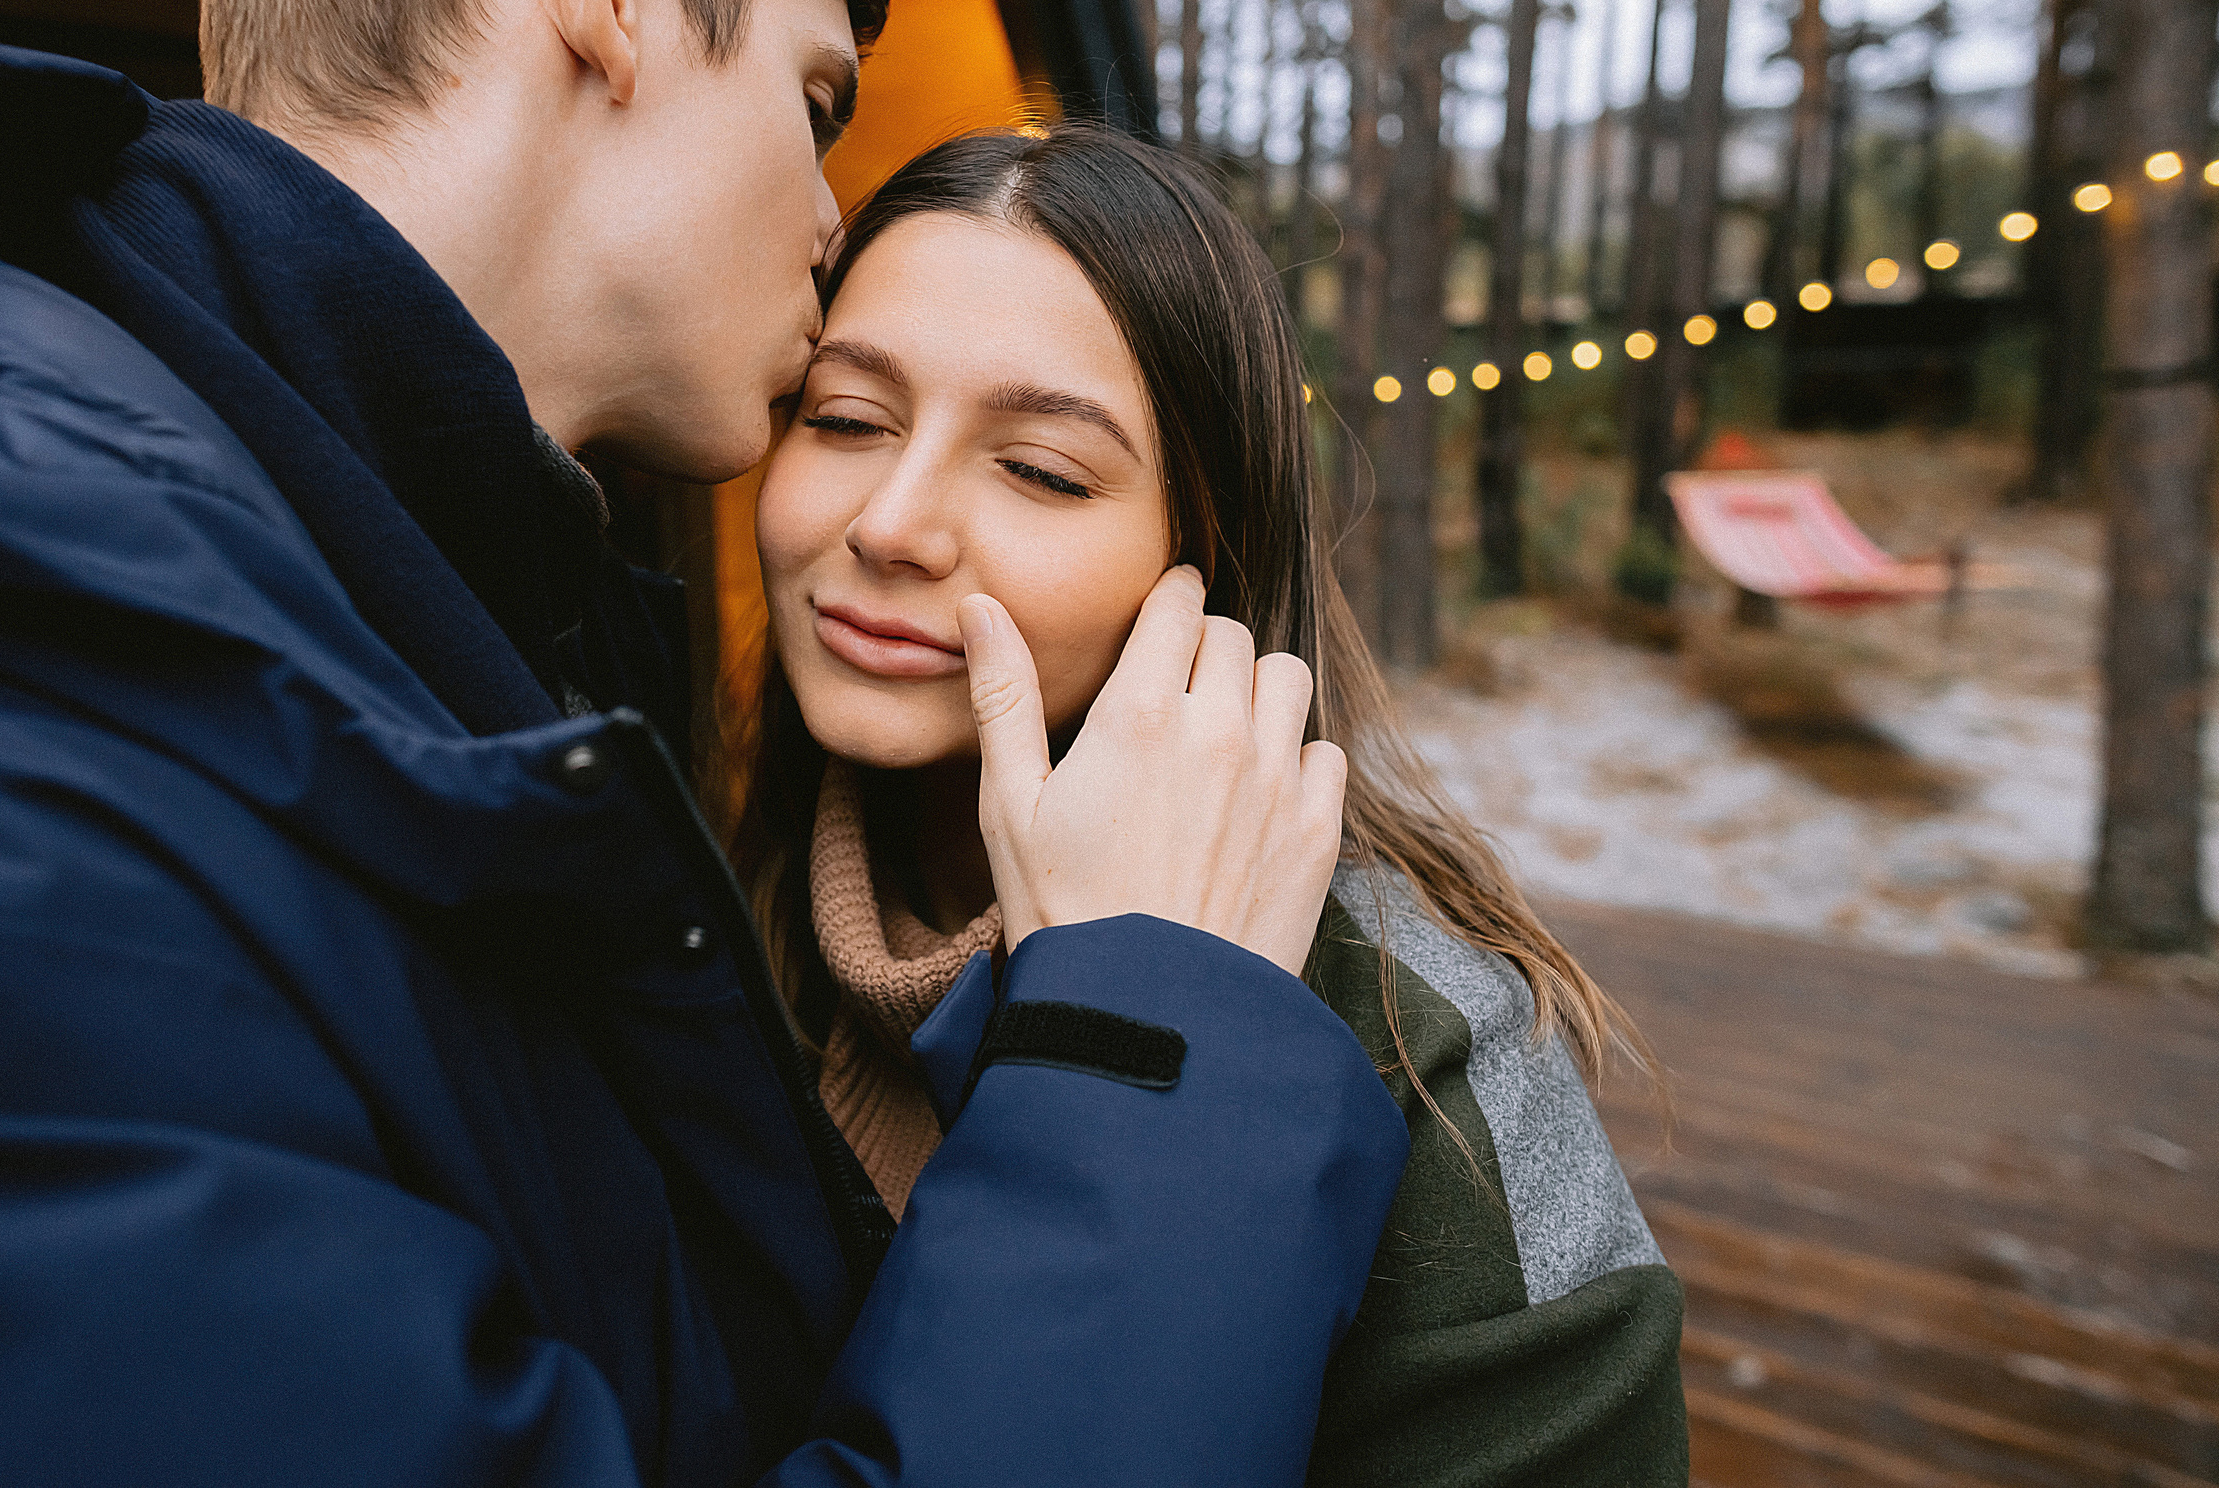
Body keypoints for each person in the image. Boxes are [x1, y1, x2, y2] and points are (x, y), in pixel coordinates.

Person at [0, 0, 1411, 1484]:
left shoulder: (380, 637)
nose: (828, 217)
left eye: (1036, 463)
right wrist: (1147, 1075)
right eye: (815, 99)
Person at [721, 126, 1691, 1485]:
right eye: (845, 419)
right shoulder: (689, 912)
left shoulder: (1426, 1050)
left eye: (1042, 470)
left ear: (1206, 557)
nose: (890, 521)